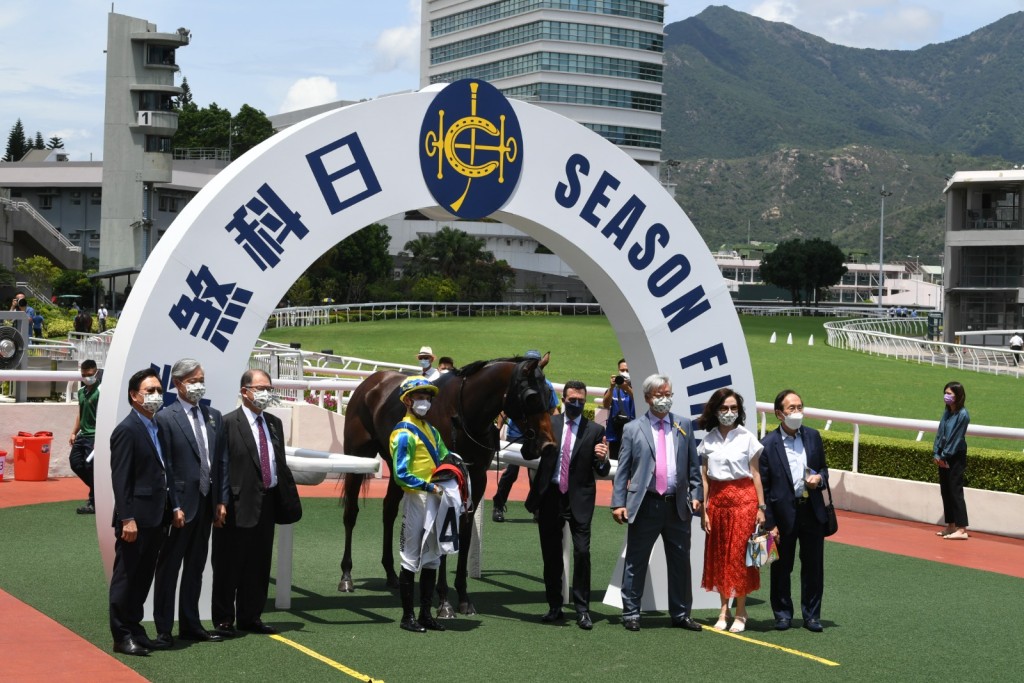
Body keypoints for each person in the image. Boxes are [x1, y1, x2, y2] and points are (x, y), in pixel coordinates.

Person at [211, 369, 301, 636]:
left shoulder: (274, 423)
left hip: (268, 501)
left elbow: (278, 463)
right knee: (229, 564)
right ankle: (224, 619)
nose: (265, 394)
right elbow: (221, 466)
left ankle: (251, 617)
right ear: (245, 392)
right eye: (260, 388)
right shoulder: (228, 423)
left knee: (259, 564)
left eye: (269, 389)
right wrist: (221, 501)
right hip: (237, 506)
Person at [611, 373, 703, 633]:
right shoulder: (633, 429)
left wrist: (696, 496)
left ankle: (681, 613)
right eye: (659, 394)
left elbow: (694, 468)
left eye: (668, 394)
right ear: (647, 397)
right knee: (636, 561)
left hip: (677, 505)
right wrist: (619, 502)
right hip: (646, 504)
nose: (665, 399)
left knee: (680, 562)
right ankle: (631, 612)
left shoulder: (683, 425)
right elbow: (623, 470)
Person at [152, 359, 230, 647]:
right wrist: (173, 505)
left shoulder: (213, 416)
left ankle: (191, 624)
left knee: (196, 567)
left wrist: (221, 500)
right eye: (194, 380)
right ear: (178, 384)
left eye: (202, 379)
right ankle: (163, 629)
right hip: (181, 507)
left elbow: (221, 461)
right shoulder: (165, 417)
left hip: (207, 504)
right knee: (169, 567)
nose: (199, 385)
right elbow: (166, 466)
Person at [108, 367, 182, 656]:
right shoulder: (126, 430)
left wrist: (175, 505)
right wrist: (127, 518)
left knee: (143, 579)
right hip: (134, 520)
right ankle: (121, 635)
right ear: (133, 396)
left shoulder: (158, 427)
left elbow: (167, 470)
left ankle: (136, 629)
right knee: (126, 579)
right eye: (149, 391)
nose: (155, 396)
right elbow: (121, 479)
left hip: (157, 517)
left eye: (158, 390)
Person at [525, 380, 609, 629]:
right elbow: (529, 454)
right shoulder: (549, 424)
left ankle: (582, 609)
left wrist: (603, 458)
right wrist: (532, 436)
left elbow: (601, 470)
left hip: (579, 499)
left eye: (581, 401)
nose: (576, 404)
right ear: (564, 399)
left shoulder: (593, 430)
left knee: (582, 553)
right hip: (550, 496)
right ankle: (554, 606)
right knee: (551, 555)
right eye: (572, 400)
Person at [759, 389, 829, 633]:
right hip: (782, 515)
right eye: (791, 408)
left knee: (813, 567)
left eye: (800, 407)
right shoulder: (767, 444)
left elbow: (824, 469)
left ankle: (811, 616)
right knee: (781, 567)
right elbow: (763, 488)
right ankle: (782, 614)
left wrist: (819, 478)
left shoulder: (813, 436)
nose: (797, 412)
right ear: (779, 414)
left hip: (811, 511)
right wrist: (769, 523)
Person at [698, 388, 766, 634]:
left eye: (734, 408)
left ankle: (740, 611)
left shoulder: (746, 437)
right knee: (719, 557)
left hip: (744, 502)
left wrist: (761, 507)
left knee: (739, 557)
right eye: (725, 408)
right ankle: (723, 610)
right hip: (716, 503)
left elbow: (756, 475)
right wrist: (704, 510)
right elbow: (704, 478)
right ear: (716, 411)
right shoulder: (709, 440)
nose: (729, 413)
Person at [390, 376, 449, 633]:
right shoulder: (402, 433)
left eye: (428, 397)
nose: (425, 402)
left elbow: (446, 459)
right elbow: (400, 474)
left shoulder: (433, 431)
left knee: (433, 556)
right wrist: (429, 486)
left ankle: (425, 613)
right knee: (411, 556)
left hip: (437, 498)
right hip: (417, 498)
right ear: (407, 400)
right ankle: (407, 616)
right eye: (420, 397)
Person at [492, 349, 561, 522]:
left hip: (538, 436)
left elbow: (553, 409)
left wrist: (556, 432)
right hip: (517, 434)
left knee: (536, 472)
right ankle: (498, 505)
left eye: (535, 362)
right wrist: (498, 429)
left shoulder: (547, 386)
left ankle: (536, 507)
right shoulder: (516, 384)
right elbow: (504, 409)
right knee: (511, 472)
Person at [934, 381, 969, 540]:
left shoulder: (963, 415)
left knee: (955, 491)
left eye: (950, 394)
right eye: (945, 393)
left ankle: (962, 529)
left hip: (955, 456)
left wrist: (944, 455)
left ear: (958, 396)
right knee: (945, 491)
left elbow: (955, 438)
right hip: (943, 455)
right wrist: (936, 453)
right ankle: (950, 525)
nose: (946, 396)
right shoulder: (947, 412)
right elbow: (940, 432)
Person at [69, 359, 101, 514]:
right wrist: (74, 432)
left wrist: (101, 438)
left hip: (95, 436)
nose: (87, 377)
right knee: (75, 463)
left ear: (96, 372)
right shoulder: (82, 392)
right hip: (83, 435)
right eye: (84, 375)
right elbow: (80, 413)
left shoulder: (102, 390)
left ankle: (94, 501)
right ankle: (99, 492)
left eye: (89, 374)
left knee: (91, 468)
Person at [601, 358, 635, 459]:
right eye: (622, 370)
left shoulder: (638, 389)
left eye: (628, 370)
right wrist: (611, 388)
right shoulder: (613, 390)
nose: (625, 373)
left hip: (634, 435)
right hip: (616, 435)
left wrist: (627, 389)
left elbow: (640, 402)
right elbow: (606, 405)